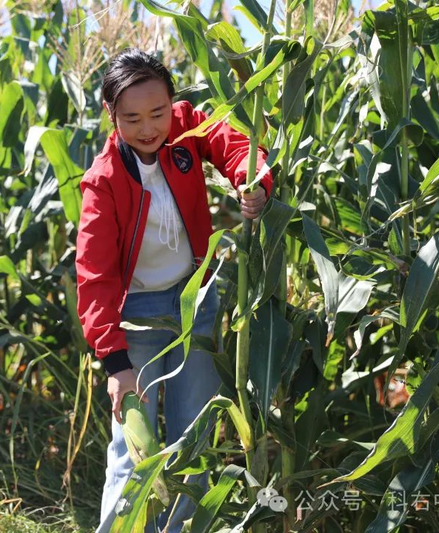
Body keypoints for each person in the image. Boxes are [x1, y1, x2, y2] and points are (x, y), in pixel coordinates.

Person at [75, 49, 272, 533]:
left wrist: (256, 181)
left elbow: (231, 144)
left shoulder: (184, 127)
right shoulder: (102, 182)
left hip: (194, 306)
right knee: (134, 449)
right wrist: (116, 366)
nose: (149, 128)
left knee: (194, 438)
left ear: (172, 103)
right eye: (132, 118)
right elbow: (94, 276)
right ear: (111, 115)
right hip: (135, 320)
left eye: (158, 113)